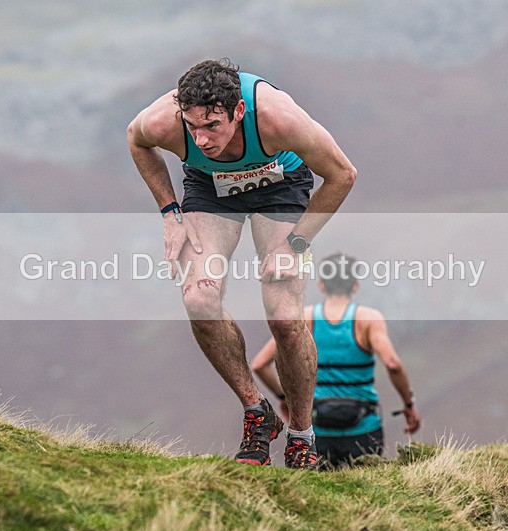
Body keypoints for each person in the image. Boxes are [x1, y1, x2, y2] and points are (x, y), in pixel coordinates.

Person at [126, 59, 357, 469]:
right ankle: (257, 412)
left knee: (285, 318)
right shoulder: (164, 122)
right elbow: (135, 140)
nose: (200, 138)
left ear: (238, 112)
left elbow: (342, 174)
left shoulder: (278, 118)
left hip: (281, 187)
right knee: (199, 298)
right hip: (210, 190)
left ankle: (302, 436)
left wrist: (298, 242)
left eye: (212, 126)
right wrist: (169, 212)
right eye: (192, 126)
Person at [251, 253, 421, 468]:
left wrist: (285, 398)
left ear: (322, 285)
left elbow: (260, 365)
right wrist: (409, 404)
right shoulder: (368, 320)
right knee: (364, 495)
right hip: (364, 430)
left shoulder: (305, 318)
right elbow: (393, 364)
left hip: (317, 429)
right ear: (355, 286)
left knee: (318, 494)